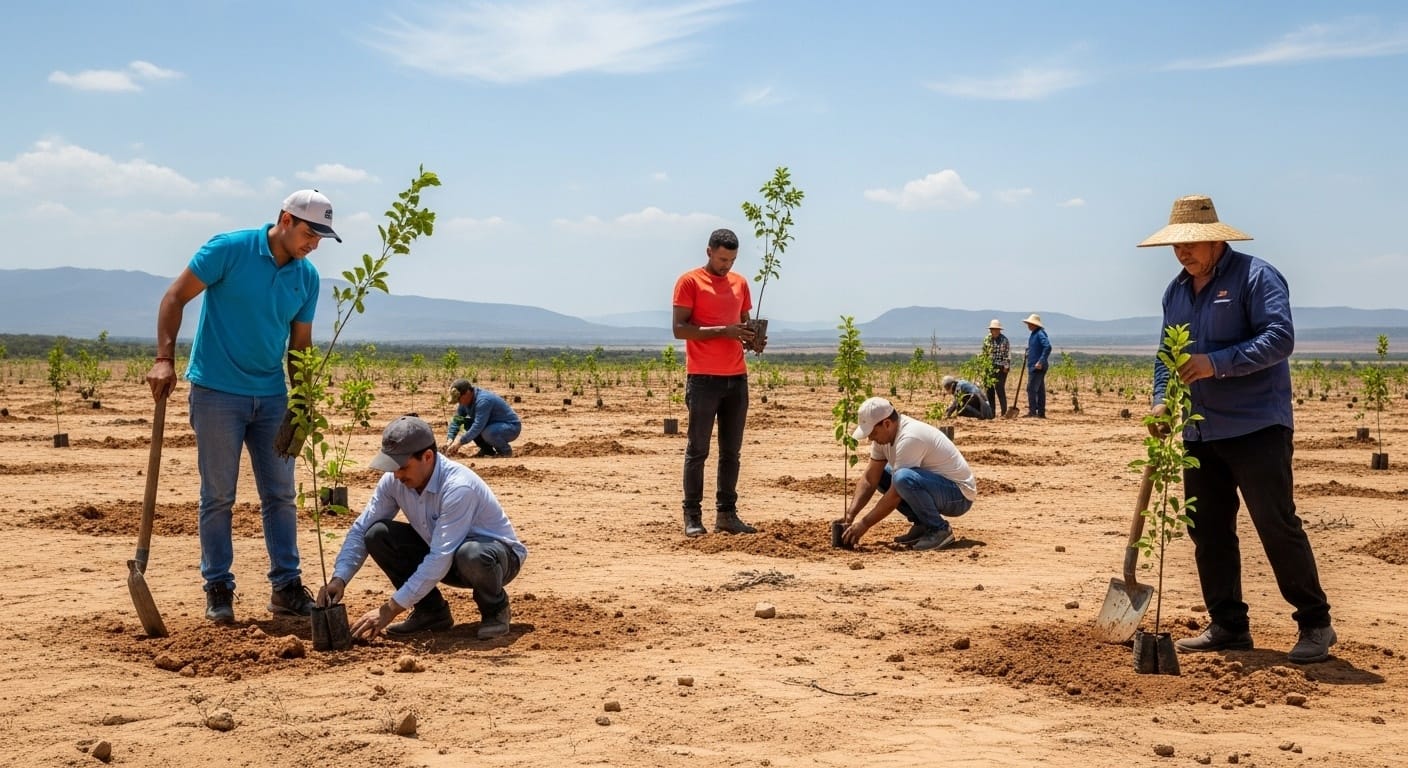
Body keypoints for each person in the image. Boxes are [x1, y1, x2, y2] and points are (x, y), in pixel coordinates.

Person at [1139, 194, 1335, 664]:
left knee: (1275, 524)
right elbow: (1168, 354)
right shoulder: (1176, 292)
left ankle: (1315, 623)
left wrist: (1215, 364)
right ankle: (1228, 624)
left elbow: (1279, 338)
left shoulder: (1255, 276)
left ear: (1216, 239)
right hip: (1200, 431)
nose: (1182, 253)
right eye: (1176, 246)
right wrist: (1162, 399)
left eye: (1190, 244)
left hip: (1256, 426)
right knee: (1207, 529)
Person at [146, 189, 340, 624]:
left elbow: (300, 345)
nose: (315, 244)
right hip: (217, 393)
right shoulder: (228, 250)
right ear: (285, 220)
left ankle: (286, 588)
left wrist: (303, 403)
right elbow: (174, 297)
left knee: (281, 495)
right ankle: (218, 588)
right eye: (311, 232)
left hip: (271, 397)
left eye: (323, 237)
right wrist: (164, 359)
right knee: (218, 496)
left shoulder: (306, 278)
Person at [317, 415, 527, 640]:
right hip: (446, 556)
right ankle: (431, 613)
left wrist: (389, 610)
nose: (397, 474)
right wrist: (340, 578)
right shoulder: (394, 480)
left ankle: (495, 610)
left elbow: (440, 556)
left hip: (495, 560)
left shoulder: (458, 487)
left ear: (427, 457)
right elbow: (361, 529)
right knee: (377, 534)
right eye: (392, 466)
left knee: (471, 554)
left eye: (403, 467)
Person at [671, 228, 764, 537]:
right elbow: (680, 329)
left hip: (736, 378)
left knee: (731, 452)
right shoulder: (689, 281)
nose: (727, 266)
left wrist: (752, 340)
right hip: (703, 378)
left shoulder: (740, 283)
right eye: (723, 258)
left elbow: (743, 324)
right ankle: (692, 516)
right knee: (698, 450)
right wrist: (723, 330)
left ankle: (726, 515)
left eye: (733, 260)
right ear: (709, 251)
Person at [841, 397, 975, 551]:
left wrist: (864, 524)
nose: (870, 437)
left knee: (902, 478)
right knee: (884, 474)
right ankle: (922, 524)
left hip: (958, 495)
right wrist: (850, 515)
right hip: (934, 486)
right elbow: (870, 479)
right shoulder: (882, 439)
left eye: (872, 432)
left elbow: (895, 494)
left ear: (886, 424)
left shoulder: (910, 437)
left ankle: (939, 530)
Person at [443, 379, 522, 458]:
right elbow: (457, 420)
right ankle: (487, 450)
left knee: (488, 432)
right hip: (491, 425)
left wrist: (460, 442)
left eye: (459, 399)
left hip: (511, 427)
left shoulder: (483, 401)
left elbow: (478, 426)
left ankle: (505, 452)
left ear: (467, 393)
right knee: (467, 423)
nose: (459, 403)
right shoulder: (464, 402)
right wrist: (450, 439)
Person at [1022, 313, 1051, 418]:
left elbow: (1047, 347)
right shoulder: (1034, 334)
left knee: (1031, 388)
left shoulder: (1040, 333)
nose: (1028, 325)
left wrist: (1040, 361)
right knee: (1039, 389)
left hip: (1037, 366)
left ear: (1034, 324)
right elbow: (1037, 348)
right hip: (1034, 365)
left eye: (1030, 323)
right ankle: (1041, 412)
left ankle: (1033, 411)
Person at [983, 319, 1011, 416]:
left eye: (996, 329)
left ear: (999, 330)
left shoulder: (1004, 340)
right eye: (992, 329)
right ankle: (992, 412)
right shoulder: (986, 339)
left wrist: (1006, 367)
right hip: (989, 366)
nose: (994, 331)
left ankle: (1004, 411)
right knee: (989, 390)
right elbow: (984, 353)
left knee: (999, 389)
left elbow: (1007, 355)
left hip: (1000, 367)